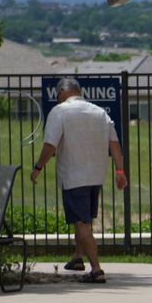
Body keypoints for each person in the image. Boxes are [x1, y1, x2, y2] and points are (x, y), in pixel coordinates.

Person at [30, 76, 126, 283]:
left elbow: (50, 146)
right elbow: (115, 144)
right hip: (95, 176)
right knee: (84, 220)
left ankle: (97, 270)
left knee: (81, 223)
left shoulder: (60, 112)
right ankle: (77, 257)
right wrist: (120, 171)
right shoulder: (99, 112)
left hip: (74, 176)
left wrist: (38, 168)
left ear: (62, 93)